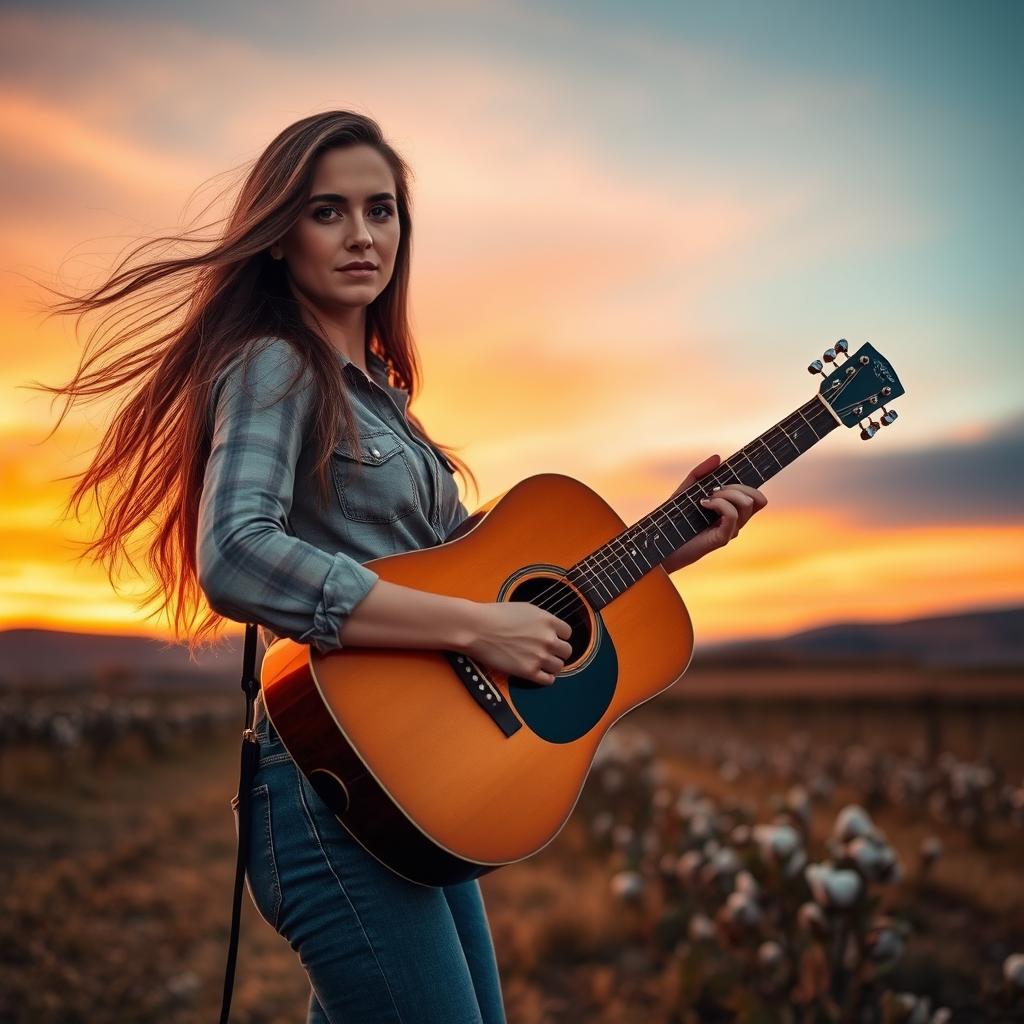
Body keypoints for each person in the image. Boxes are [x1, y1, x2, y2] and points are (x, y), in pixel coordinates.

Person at [35, 110, 766, 1023]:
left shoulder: (388, 408)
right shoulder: (271, 367)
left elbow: (491, 581)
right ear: (276, 236)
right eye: (327, 212)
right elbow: (234, 554)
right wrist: (475, 626)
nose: (362, 236)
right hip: (324, 793)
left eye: (380, 211)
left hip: (419, 792)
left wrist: (666, 548)